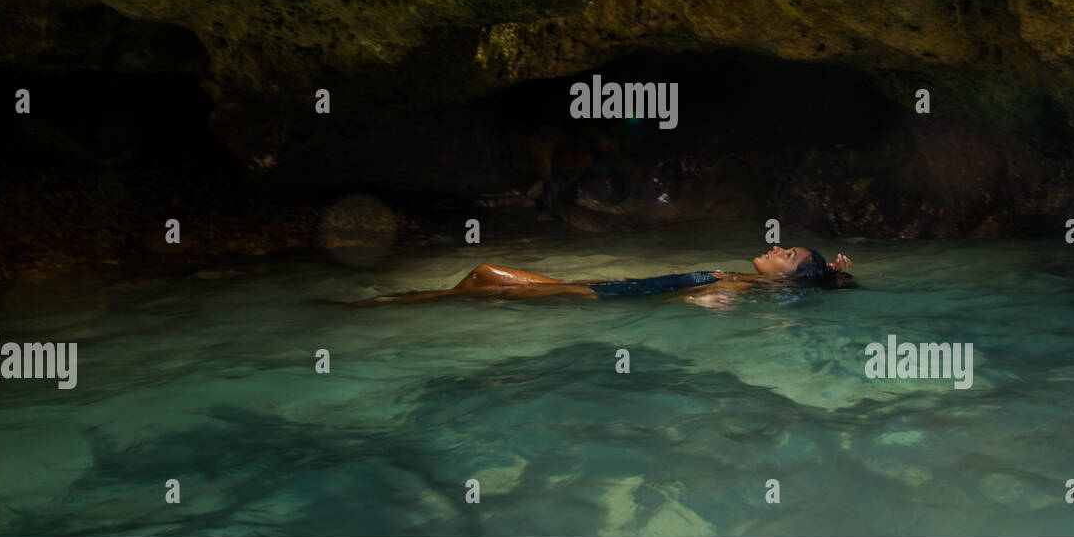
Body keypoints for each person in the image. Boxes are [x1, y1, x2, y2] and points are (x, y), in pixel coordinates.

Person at [348, 245, 854, 308]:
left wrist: (697, 300)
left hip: (612, 297)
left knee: (487, 276)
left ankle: (395, 304)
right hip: (617, 290)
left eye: (786, 253)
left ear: (789, 277)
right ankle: (406, 301)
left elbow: (703, 294)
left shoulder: (747, 285)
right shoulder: (751, 279)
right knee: (484, 279)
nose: (774, 247)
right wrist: (835, 274)